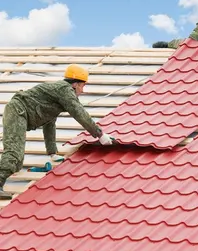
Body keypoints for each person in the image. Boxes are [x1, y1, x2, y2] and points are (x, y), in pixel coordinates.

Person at [0, 64, 114, 200]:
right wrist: (99, 134)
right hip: (18, 112)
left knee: (17, 162)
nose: (82, 91)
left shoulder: (57, 96)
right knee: (14, 154)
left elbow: (49, 123)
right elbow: (79, 113)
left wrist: (52, 152)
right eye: (83, 86)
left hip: (19, 112)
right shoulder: (65, 90)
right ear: (76, 84)